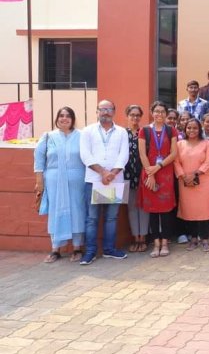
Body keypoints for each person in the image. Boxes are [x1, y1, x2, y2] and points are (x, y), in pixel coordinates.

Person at [79, 100, 130, 265]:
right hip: (94, 180)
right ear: (97, 111)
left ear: (114, 111)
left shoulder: (121, 132)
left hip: (114, 181)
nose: (105, 112)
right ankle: (90, 252)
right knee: (92, 218)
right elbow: (85, 155)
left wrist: (112, 174)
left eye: (108, 109)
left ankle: (109, 249)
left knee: (111, 218)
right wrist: (102, 172)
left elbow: (124, 155)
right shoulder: (87, 131)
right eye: (102, 109)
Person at [34, 107, 86, 263]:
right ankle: (55, 249)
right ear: (57, 118)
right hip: (54, 180)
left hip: (77, 180)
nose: (64, 118)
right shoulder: (49, 137)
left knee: (77, 210)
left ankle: (77, 247)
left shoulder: (81, 136)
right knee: (56, 210)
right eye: (61, 116)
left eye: (68, 116)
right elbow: (39, 159)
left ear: (73, 119)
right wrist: (39, 181)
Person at [138, 101, 178, 258]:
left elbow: (174, 153)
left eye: (162, 111)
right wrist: (151, 173)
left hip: (166, 173)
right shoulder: (144, 131)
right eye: (156, 111)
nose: (159, 114)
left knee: (166, 210)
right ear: (151, 112)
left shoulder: (171, 130)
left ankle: (165, 243)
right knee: (153, 211)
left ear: (166, 114)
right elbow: (142, 154)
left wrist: (158, 167)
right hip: (149, 174)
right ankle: (155, 244)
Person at [174, 118, 209, 252]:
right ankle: (194, 239)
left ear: (199, 129)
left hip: (204, 182)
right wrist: (184, 176)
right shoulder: (179, 144)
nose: (192, 130)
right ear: (185, 129)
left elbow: (208, 161)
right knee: (190, 211)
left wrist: (195, 174)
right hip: (185, 182)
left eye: (195, 128)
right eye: (189, 128)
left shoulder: (207, 143)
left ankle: (204, 239)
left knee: (204, 210)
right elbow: (176, 162)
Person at [122, 105, 148, 253]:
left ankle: (143, 237)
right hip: (126, 175)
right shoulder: (121, 133)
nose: (135, 118)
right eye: (132, 114)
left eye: (138, 115)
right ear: (127, 116)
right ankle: (135, 238)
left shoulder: (144, 132)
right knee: (131, 207)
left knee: (143, 206)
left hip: (143, 173)